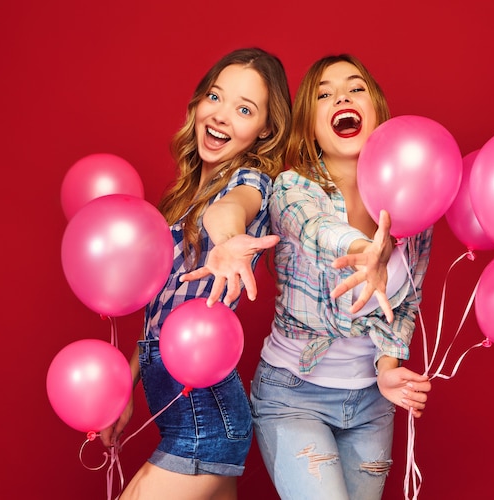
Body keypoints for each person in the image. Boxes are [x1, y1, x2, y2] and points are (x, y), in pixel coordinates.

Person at [100, 47, 292, 500]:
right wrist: (124, 387)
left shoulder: (251, 181)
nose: (222, 116)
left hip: (204, 414)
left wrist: (227, 240)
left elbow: (231, 210)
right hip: (184, 405)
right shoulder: (183, 198)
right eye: (215, 97)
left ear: (265, 129)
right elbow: (159, 313)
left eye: (244, 109)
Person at [249, 54, 433, 500]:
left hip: (372, 403)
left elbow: (405, 303)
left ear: (377, 110)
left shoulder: (415, 201)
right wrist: (364, 250)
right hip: (292, 395)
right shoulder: (292, 189)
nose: (342, 98)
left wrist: (388, 369)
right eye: (324, 94)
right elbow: (316, 231)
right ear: (309, 124)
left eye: (355, 88)